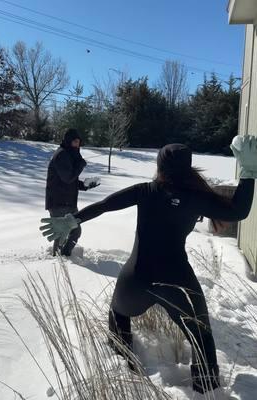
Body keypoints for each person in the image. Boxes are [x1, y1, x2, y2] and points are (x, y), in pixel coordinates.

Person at [40, 135, 257, 393]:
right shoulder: (196, 198)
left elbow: (104, 205)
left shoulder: (145, 191)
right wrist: (248, 173)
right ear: (187, 168)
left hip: (136, 279)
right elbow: (238, 212)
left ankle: (122, 366)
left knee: (118, 313)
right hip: (178, 280)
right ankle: (206, 388)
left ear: (159, 166)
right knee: (202, 337)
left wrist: (73, 220)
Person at [45, 128, 100, 256]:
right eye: (75, 142)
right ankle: (59, 258)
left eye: (78, 142)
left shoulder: (69, 155)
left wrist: (86, 185)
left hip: (68, 202)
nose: (77, 144)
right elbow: (68, 178)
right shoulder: (61, 155)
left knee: (74, 231)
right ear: (68, 141)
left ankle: (63, 254)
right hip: (58, 202)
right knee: (63, 232)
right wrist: (80, 164)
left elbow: (70, 180)